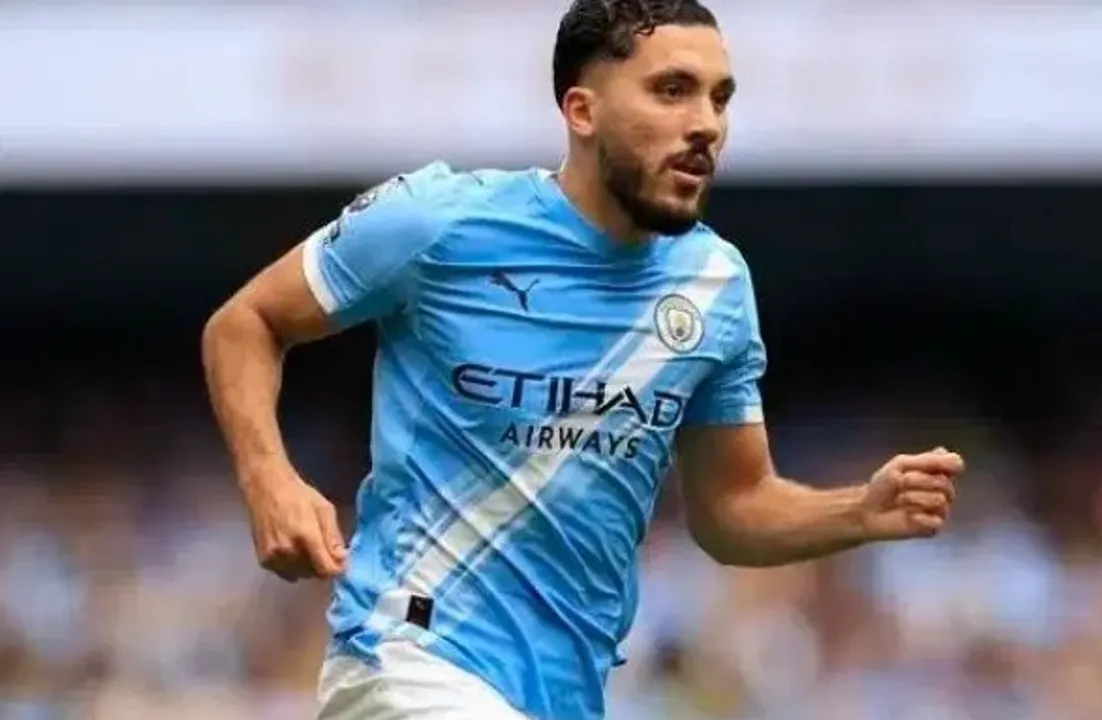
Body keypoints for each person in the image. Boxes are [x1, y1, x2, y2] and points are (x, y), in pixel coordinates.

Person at [200, 1, 963, 718]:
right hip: (408, 657)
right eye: (672, 90)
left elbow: (732, 508)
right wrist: (270, 479)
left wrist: (858, 511)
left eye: (720, 99)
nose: (705, 124)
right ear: (581, 111)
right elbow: (244, 324)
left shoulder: (714, 285)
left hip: (564, 690)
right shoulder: (440, 223)